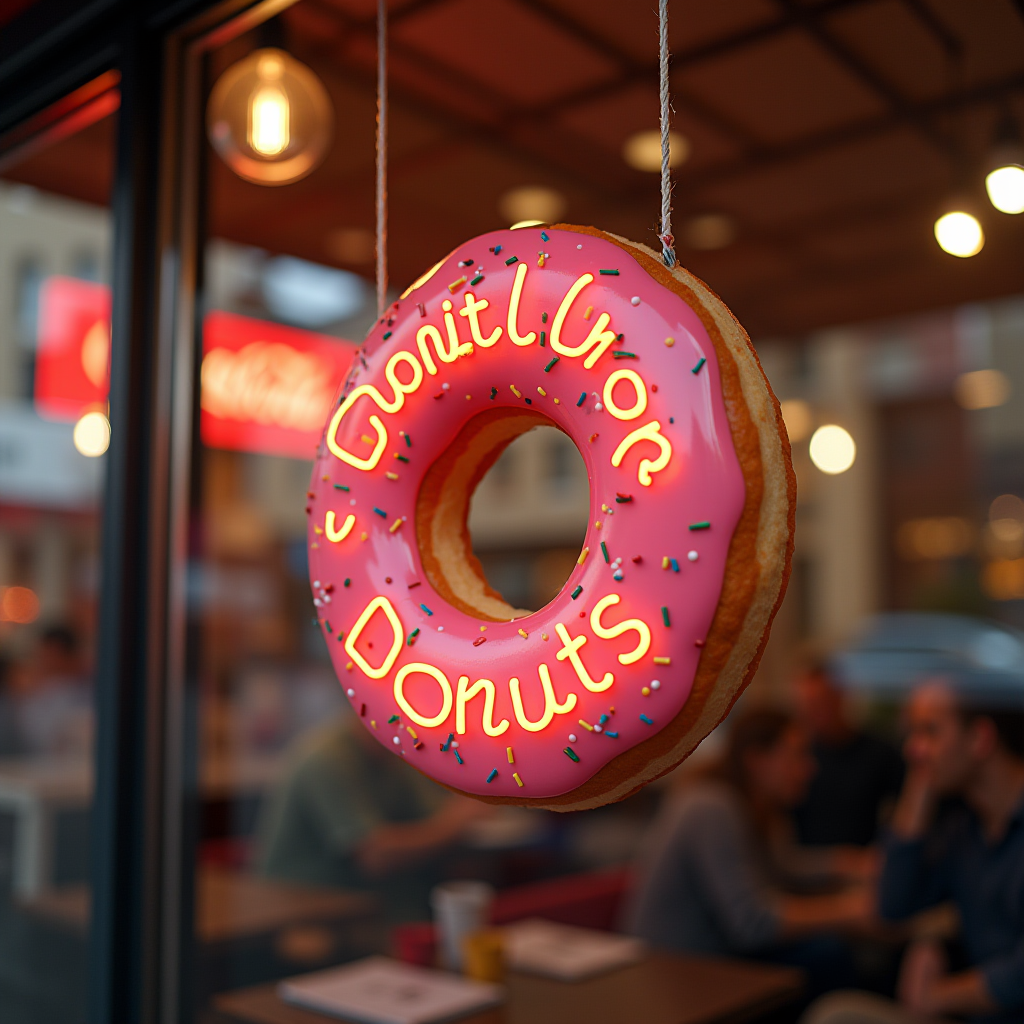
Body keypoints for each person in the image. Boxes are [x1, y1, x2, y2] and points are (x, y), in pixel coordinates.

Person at [801, 679, 1024, 1024]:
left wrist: (937, 996)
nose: (912, 749)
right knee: (835, 1015)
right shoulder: (963, 827)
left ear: (980, 738)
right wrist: (920, 786)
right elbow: (891, 905)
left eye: (929, 732)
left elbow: (1017, 978)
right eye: (912, 734)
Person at [624, 707, 874, 996]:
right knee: (829, 954)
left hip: (712, 956)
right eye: (797, 755)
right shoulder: (711, 806)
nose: (809, 768)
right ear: (757, 760)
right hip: (673, 973)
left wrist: (847, 864)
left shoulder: (756, 806)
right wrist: (850, 911)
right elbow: (753, 924)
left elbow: (783, 869)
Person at [259, 710, 490, 922]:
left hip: (369, 905)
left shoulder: (396, 753)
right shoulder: (325, 760)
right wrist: (457, 821)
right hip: (302, 914)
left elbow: (434, 813)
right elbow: (375, 856)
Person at [794, 662, 904, 847]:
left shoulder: (879, 753)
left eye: (823, 700)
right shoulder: (798, 760)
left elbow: (904, 807)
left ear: (841, 697)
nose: (816, 711)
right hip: (808, 871)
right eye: (809, 704)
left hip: (868, 866)